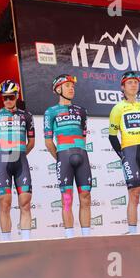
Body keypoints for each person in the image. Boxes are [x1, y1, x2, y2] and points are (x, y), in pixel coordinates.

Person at [109, 71, 140, 234]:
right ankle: (133, 235)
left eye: (136, 82)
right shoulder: (117, 108)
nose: (134, 85)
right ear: (122, 87)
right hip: (129, 153)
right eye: (129, 82)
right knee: (135, 194)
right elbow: (112, 136)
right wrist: (123, 155)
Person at [44, 74, 92, 238]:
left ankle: (86, 237)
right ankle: (70, 237)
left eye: (73, 86)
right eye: (67, 86)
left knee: (85, 197)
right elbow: (49, 142)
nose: (71, 88)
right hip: (64, 156)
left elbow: (84, 137)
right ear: (58, 89)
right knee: (67, 199)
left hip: (82, 155)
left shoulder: (82, 111)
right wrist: (59, 158)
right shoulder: (50, 112)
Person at [0, 80, 35, 241]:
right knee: (5, 202)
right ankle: (7, 243)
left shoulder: (27, 116)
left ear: (17, 96)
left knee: (25, 202)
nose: (8, 100)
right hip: (3, 160)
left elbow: (31, 142)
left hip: (21, 159)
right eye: (4, 98)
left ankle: (26, 241)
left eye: (11, 97)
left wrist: (20, 154)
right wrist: (1, 156)